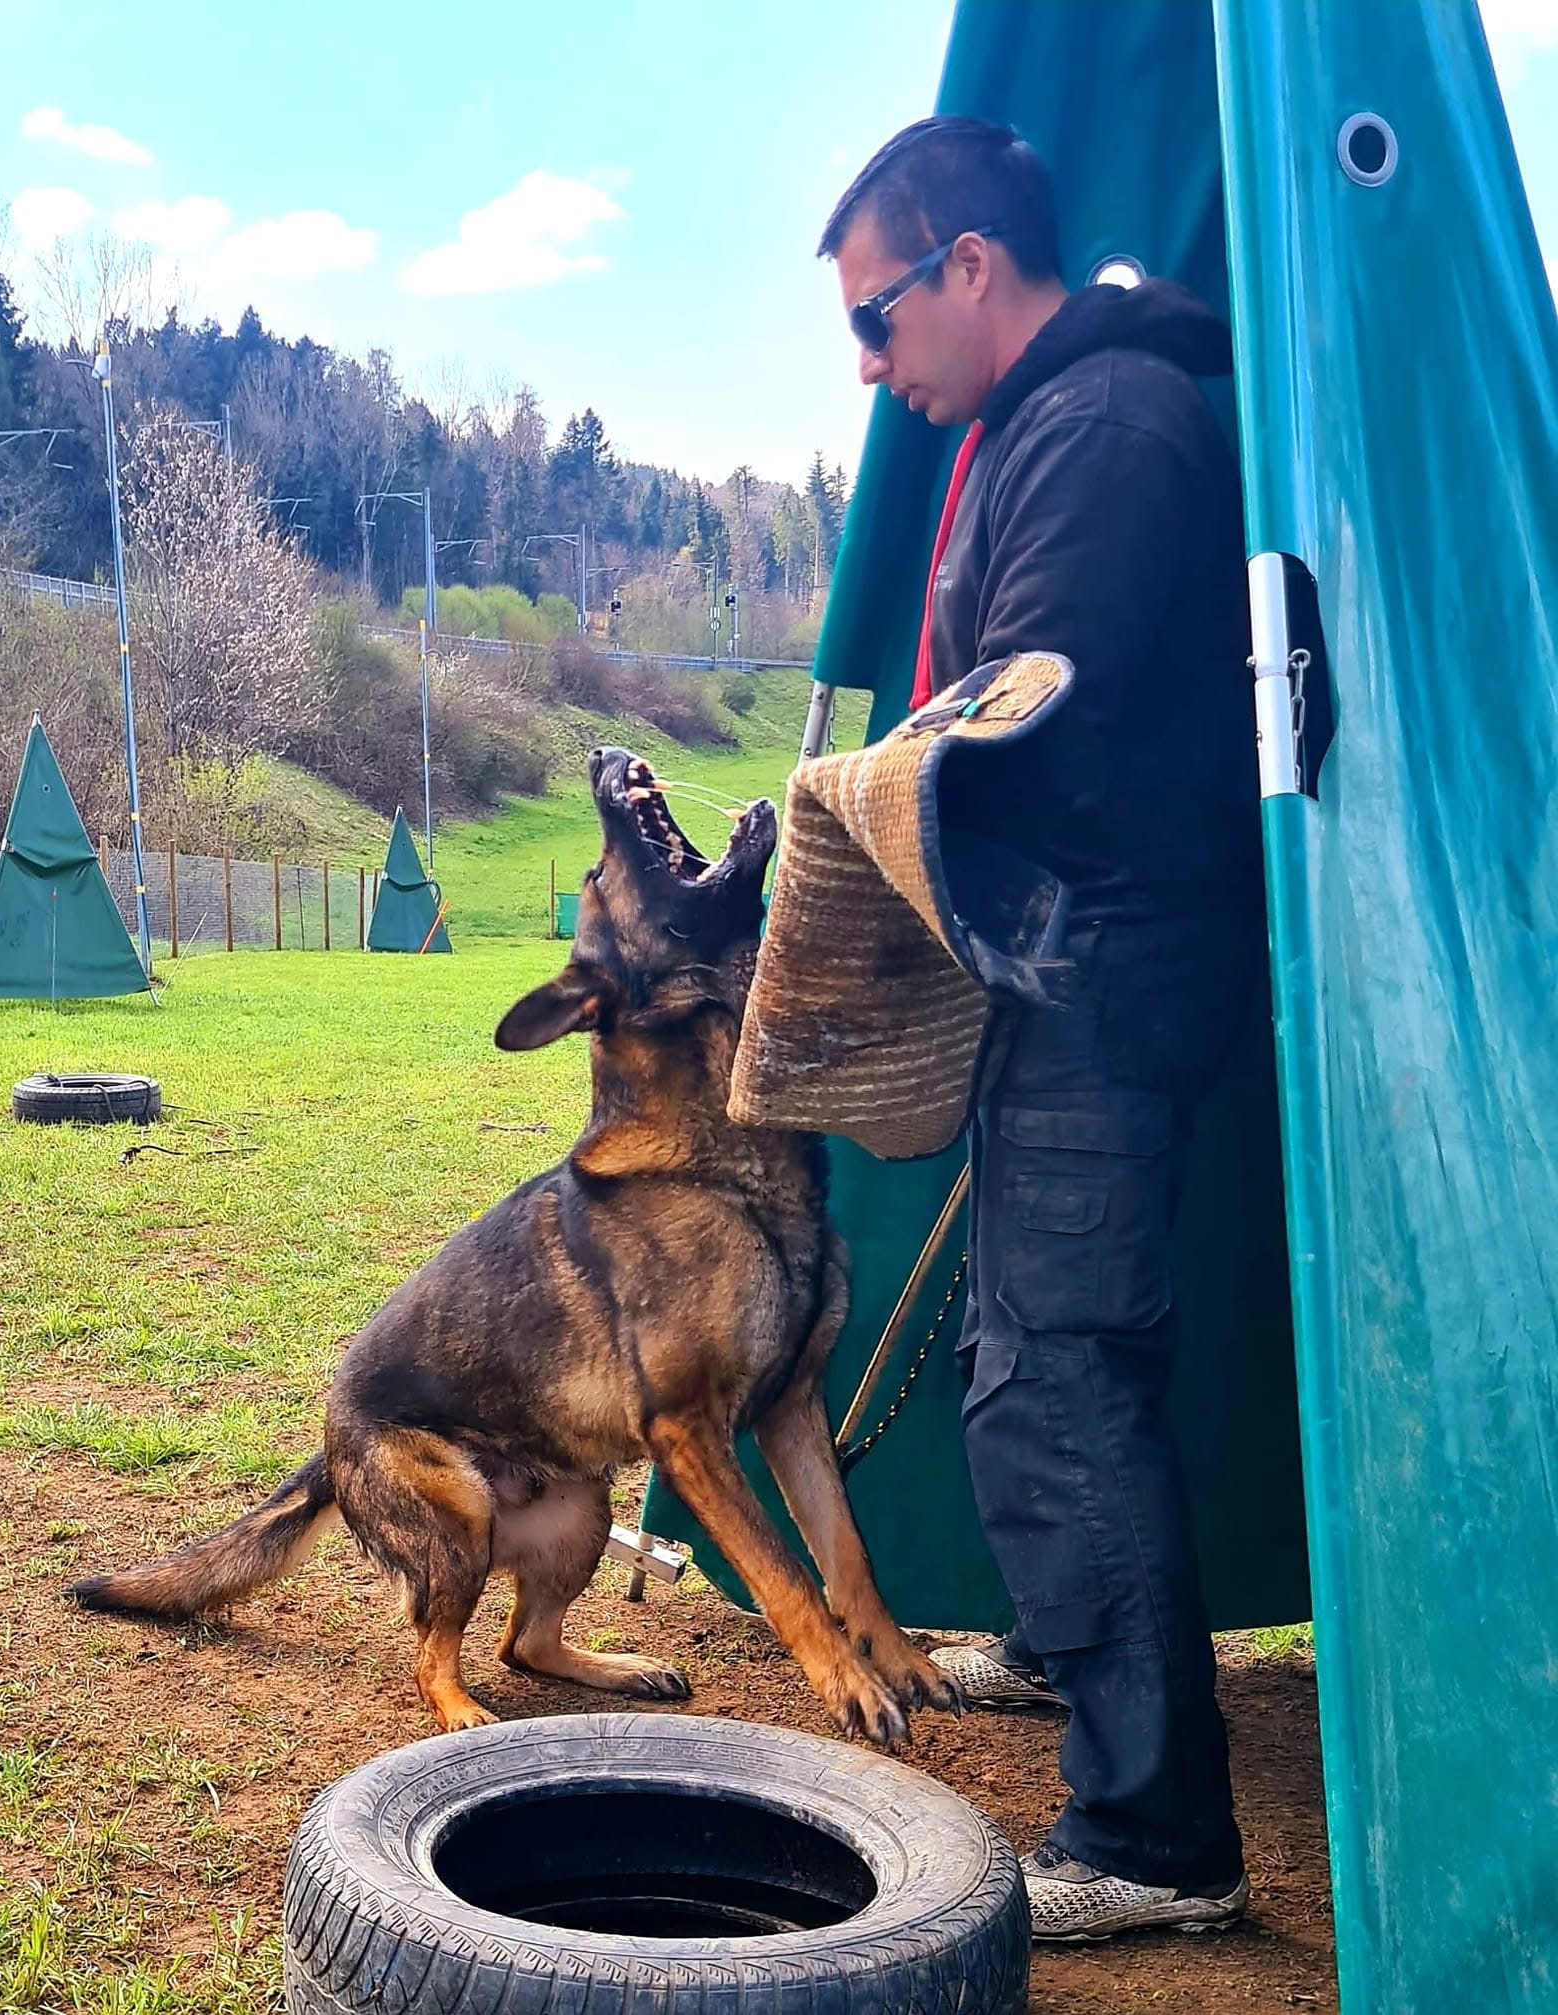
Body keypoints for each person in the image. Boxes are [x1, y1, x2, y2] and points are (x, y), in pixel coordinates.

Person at [818, 117, 1265, 1941]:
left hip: (1105, 963)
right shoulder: (1045, 419)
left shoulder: (1105, 427)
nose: (871, 365)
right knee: (1030, 1349)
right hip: (1061, 966)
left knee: (1063, 1376)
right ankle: (1076, 1652)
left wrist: (860, 806)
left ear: (972, 266)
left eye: (877, 317)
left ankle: (1157, 1839)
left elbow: (1024, 725)